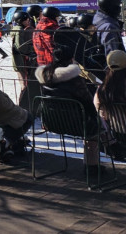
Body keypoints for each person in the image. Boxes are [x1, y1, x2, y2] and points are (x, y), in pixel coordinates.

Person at [35, 46, 101, 174]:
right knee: (94, 131)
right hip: (75, 124)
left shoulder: (45, 78)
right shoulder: (74, 79)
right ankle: (92, 167)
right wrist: (96, 118)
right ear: (71, 59)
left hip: (52, 123)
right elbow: (87, 102)